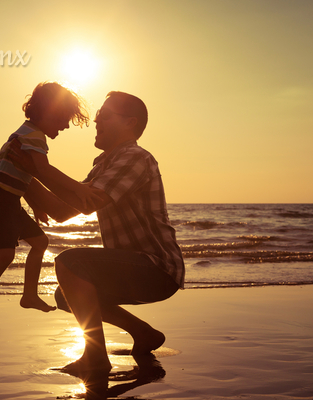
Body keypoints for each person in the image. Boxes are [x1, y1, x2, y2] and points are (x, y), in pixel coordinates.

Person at [12, 91, 185, 376]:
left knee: (70, 263)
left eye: (104, 115)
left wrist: (34, 168)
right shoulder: (103, 164)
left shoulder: (135, 157)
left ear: (130, 123)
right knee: (64, 295)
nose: (96, 120)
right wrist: (19, 172)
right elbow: (62, 211)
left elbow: (85, 201)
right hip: (133, 268)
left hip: (157, 268)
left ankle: (95, 357)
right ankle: (144, 333)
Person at [0, 82, 98, 332]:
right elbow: (42, 170)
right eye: (63, 120)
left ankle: (29, 296)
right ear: (51, 113)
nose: (65, 126)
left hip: (9, 198)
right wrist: (78, 188)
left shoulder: (24, 133)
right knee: (5, 255)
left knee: (40, 243)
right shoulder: (34, 137)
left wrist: (36, 206)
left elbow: (18, 175)